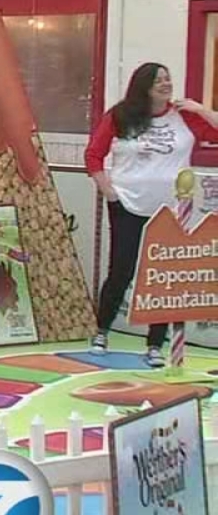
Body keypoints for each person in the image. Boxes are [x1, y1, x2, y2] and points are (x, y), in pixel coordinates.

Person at [84, 62, 218, 366]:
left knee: (163, 274)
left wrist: (200, 109)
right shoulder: (120, 116)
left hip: (171, 208)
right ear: (143, 85)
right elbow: (93, 154)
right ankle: (101, 330)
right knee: (123, 268)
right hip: (128, 203)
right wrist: (109, 191)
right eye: (158, 80)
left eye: (168, 78)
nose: (166, 84)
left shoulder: (184, 116)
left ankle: (155, 344)